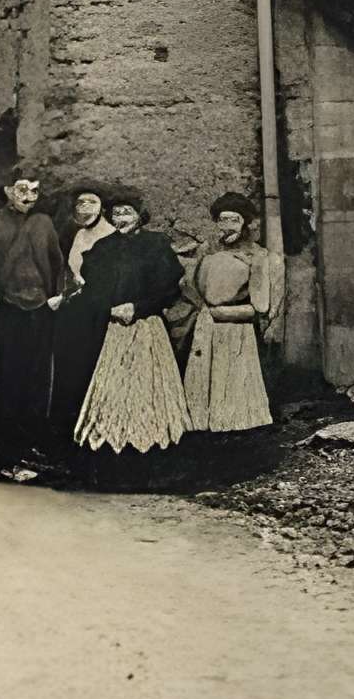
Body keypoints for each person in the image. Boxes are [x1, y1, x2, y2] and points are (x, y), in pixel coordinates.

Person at [73, 188, 190, 478]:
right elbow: (92, 290)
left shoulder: (156, 245)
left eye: (127, 212)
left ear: (140, 216)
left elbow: (169, 289)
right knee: (114, 390)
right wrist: (109, 309)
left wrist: (138, 307)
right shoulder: (103, 248)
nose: (121, 218)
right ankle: (114, 464)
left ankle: (154, 464)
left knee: (149, 390)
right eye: (116, 213)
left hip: (148, 327)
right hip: (115, 330)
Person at [0, 161, 64, 481]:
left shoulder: (45, 223)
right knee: (2, 384)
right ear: (8, 191)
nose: (29, 197)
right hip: (5, 314)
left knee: (34, 385)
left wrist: (58, 294)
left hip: (40, 313)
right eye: (22, 190)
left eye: (35, 190)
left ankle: (24, 459)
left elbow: (58, 265)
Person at [183, 195, 274, 434]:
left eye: (235, 220)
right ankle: (202, 427)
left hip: (236, 330)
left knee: (232, 384)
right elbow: (192, 287)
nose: (228, 226)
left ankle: (238, 433)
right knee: (203, 383)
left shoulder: (257, 255)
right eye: (223, 220)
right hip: (205, 327)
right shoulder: (206, 251)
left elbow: (260, 306)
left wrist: (224, 313)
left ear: (245, 223)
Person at [45, 183, 116, 451]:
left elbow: (103, 281)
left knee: (91, 368)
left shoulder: (110, 236)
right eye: (80, 204)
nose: (84, 208)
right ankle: (65, 438)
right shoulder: (78, 235)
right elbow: (71, 273)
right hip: (75, 309)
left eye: (91, 203)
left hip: (98, 310)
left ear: (103, 208)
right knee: (68, 370)